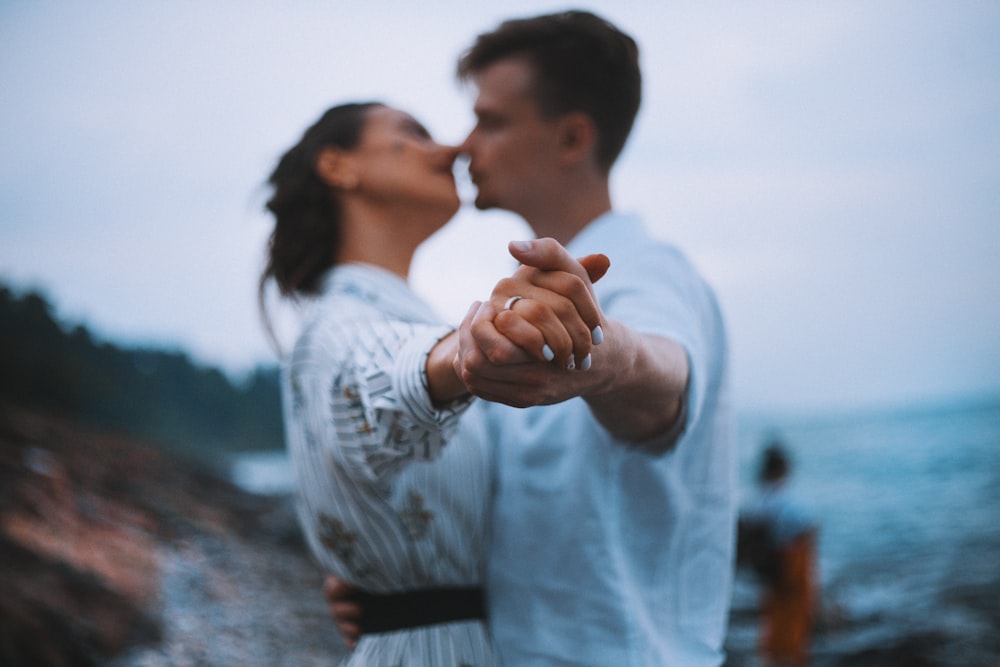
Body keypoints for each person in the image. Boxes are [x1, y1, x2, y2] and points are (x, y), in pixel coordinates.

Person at [329, 10, 737, 666]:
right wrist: (399, 587)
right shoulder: (529, 294)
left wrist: (603, 358)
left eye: (491, 121)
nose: (464, 145)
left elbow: (663, 378)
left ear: (572, 137)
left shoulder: (649, 270)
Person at [262, 102, 607, 665]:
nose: (449, 149)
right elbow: (371, 380)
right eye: (412, 133)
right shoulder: (335, 326)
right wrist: (468, 348)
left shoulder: (403, 317)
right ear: (338, 166)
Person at [741, 441, 819, 667]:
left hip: (770, 567)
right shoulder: (786, 497)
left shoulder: (759, 498)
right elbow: (808, 526)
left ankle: (773, 657)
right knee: (796, 615)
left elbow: (750, 525)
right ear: (783, 467)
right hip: (793, 562)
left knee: (774, 614)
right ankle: (792, 659)